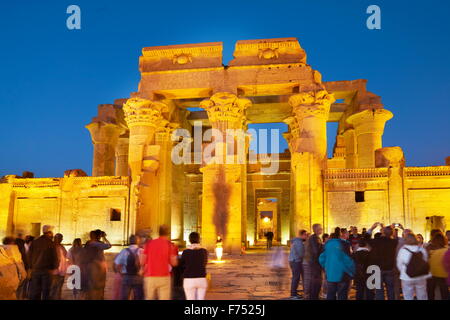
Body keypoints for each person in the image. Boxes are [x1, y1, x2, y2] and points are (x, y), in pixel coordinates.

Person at [142, 225, 178, 300]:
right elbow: (174, 263)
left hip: (150, 276)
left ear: (159, 233)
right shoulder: (170, 245)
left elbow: (142, 260)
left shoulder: (150, 243)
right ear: (168, 233)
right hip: (164, 276)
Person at [319, 228, 355, 300]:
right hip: (343, 274)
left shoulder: (327, 244)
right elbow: (348, 260)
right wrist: (353, 271)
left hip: (330, 274)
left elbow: (321, 258)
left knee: (331, 294)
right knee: (342, 295)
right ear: (341, 235)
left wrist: (327, 267)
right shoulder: (345, 244)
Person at [27, 225, 59, 300]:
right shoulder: (50, 243)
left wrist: (30, 267)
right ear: (49, 233)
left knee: (36, 291)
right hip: (46, 271)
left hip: (35, 270)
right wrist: (55, 267)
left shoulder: (35, 242)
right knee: (46, 291)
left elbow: (29, 256)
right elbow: (54, 257)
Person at [368, 223, 398, 300]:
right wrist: (391, 230)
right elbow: (395, 237)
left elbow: (366, 238)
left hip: (378, 268)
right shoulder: (394, 242)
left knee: (379, 290)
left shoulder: (377, 241)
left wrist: (372, 228)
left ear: (382, 232)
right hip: (389, 268)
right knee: (391, 289)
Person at [397, 232, 431, 300]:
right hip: (421, 276)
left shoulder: (403, 250)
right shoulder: (421, 249)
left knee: (408, 296)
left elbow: (399, 264)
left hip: (407, 277)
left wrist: (404, 271)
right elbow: (426, 261)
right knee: (422, 295)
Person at [83, 229, 111, 300]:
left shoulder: (89, 243)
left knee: (92, 283)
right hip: (96, 266)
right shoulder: (95, 243)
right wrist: (104, 237)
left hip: (93, 266)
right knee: (97, 284)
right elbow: (108, 245)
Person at [114, 235, 144, 300]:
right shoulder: (142, 251)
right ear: (138, 241)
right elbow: (146, 264)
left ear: (129, 241)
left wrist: (121, 273)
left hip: (126, 277)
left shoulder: (124, 251)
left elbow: (116, 264)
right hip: (138, 277)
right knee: (138, 297)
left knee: (125, 297)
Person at [180, 232, 208, 300]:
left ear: (189, 240)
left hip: (189, 279)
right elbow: (205, 263)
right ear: (199, 239)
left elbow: (182, 264)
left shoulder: (186, 252)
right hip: (201, 278)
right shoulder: (204, 251)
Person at [427, 232, 449, 300]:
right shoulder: (447, 249)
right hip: (443, 274)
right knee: (444, 292)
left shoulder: (429, 249)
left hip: (431, 273)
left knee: (430, 292)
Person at [304, 224, 323, 300]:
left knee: (316, 280)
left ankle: (314, 295)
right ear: (315, 230)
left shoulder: (316, 238)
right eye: (320, 228)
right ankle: (314, 296)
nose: (321, 229)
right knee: (316, 280)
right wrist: (323, 248)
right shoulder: (313, 238)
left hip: (315, 262)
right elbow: (316, 251)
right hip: (314, 262)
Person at [288, 229, 307, 299]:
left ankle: (294, 293)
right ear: (301, 235)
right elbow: (300, 254)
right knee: (296, 277)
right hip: (295, 261)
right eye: (305, 235)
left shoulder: (297, 241)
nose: (306, 236)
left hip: (294, 260)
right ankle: (293, 294)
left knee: (296, 277)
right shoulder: (298, 242)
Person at [50, 233, 67, 300]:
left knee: (59, 286)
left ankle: (57, 297)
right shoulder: (51, 246)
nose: (61, 240)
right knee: (52, 286)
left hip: (62, 270)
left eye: (61, 238)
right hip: (54, 270)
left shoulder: (62, 247)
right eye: (60, 238)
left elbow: (66, 255)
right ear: (56, 238)